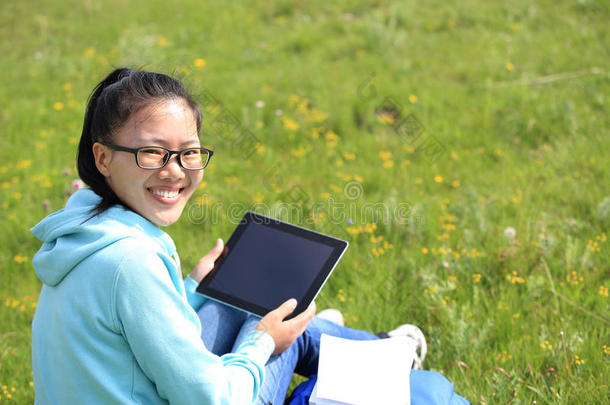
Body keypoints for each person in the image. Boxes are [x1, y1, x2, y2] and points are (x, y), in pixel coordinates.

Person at [30, 68, 426, 405]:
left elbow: (128, 330)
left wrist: (193, 286)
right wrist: (263, 343)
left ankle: (377, 346)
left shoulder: (82, 234)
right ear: (103, 158)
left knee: (237, 298)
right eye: (152, 152)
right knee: (272, 319)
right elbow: (211, 397)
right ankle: (382, 352)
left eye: (189, 152)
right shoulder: (131, 262)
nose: (174, 171)